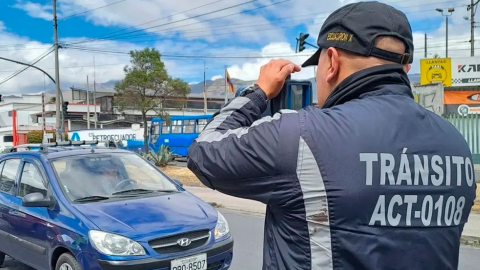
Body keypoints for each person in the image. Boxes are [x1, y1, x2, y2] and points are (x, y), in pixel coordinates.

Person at [187, 1, 477, 270]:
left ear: (332, 62)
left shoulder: (302, 135)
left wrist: (259, 91)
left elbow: (204, 152)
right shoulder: (456, 143)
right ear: (405, 67)